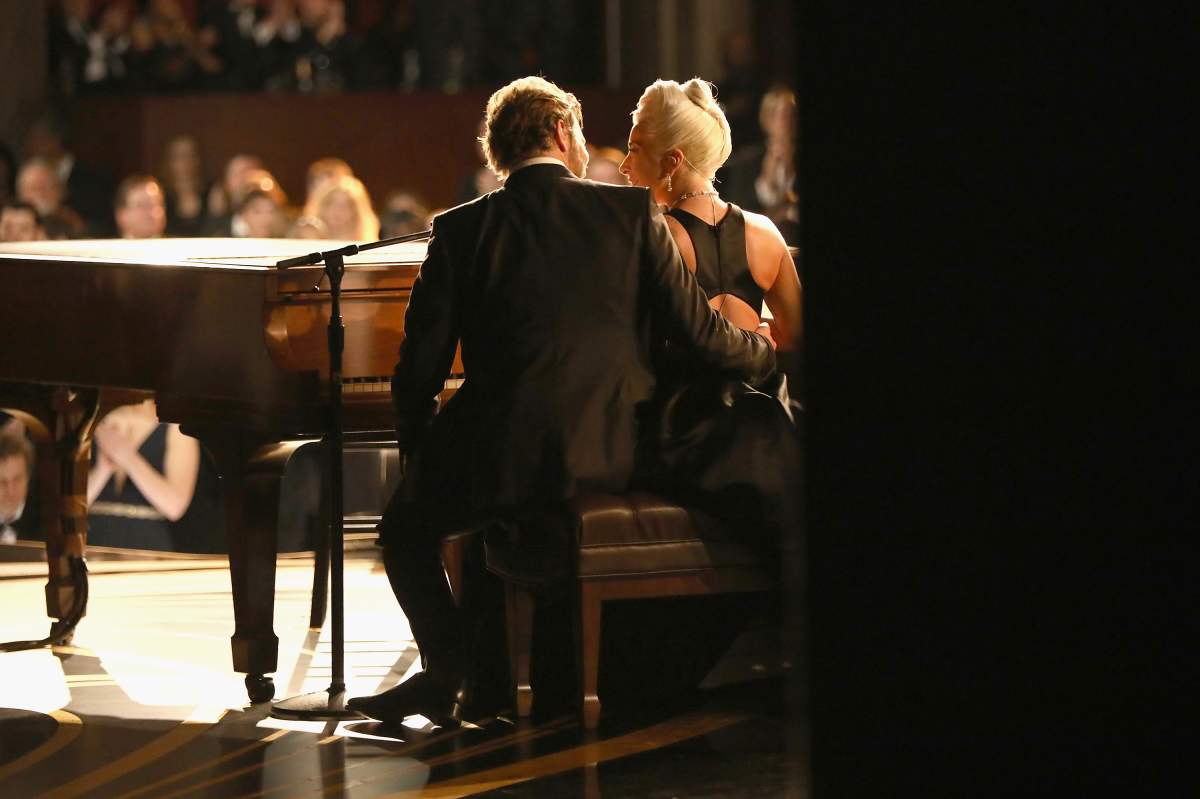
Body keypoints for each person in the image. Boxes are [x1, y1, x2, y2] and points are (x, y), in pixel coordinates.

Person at [345, 76, 775, 727]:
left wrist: (421, 449)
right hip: (614, 451)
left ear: (498, 152)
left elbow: (419, 371)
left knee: (404, 530)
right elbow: (702, 336)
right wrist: (768, 355)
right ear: (563, 134)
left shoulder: (460, 230)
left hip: (499, 460)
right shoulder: (631, 215)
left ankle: (450, 669)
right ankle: (507, 677)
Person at [619, 77, 802, 553]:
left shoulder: (654, 237)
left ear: (672, 162)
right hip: (763, 426)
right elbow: (796, 338)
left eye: (635, 150)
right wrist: (760, 332)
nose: (622, 166)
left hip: (681, 437)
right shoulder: (766, 233)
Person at [86, 400, 200, 551]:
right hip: (93, 539)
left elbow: (175, 506)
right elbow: (67, 502)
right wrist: (103, 470)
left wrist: (128, 457)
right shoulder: (90, 419)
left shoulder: (176, 428)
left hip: (146, 543)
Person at [300, 173, 379, 240]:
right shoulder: (306, 236)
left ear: (357, 212)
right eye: (332, 203)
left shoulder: (367, 245)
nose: (339, 211)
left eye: (348, 205)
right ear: (322, 206)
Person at [0, 429, 36, 545]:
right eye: (2, 481)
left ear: (28, 477)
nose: (10, 490)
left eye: (17, 479)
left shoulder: (51, 522)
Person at [113, 174, 167, 239]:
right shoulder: (104, 248)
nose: (149, 211)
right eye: (140, 205)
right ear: (121, 215)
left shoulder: (178, 247)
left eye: (154, 204)